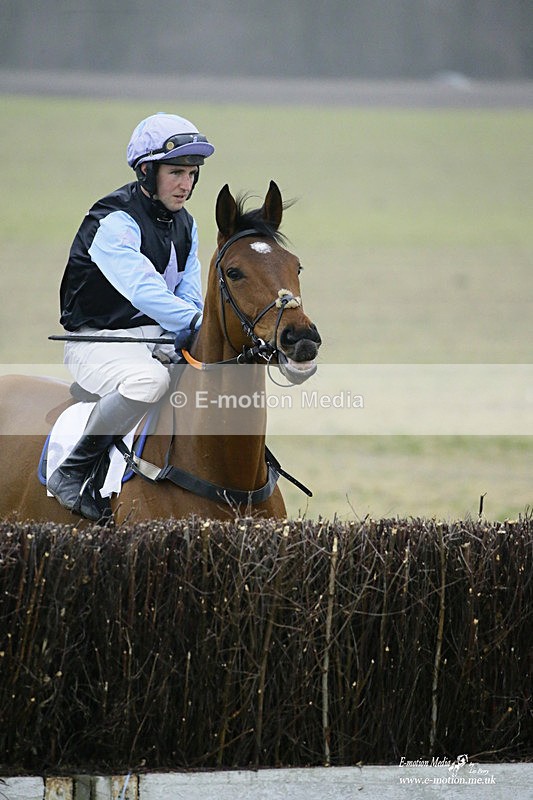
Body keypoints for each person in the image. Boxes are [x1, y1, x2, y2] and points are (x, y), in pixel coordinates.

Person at [47, 112, 215, 520]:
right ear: (146, 171)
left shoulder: (186, 224)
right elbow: (145, 290)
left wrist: (197, 329)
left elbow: (188, 292)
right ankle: (72, 472)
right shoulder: (114, 221)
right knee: (150, 380)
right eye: (176, 173)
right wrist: (194, 325)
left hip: (154, 337)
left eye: (192, 174)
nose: (186, 184)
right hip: (98, 342)